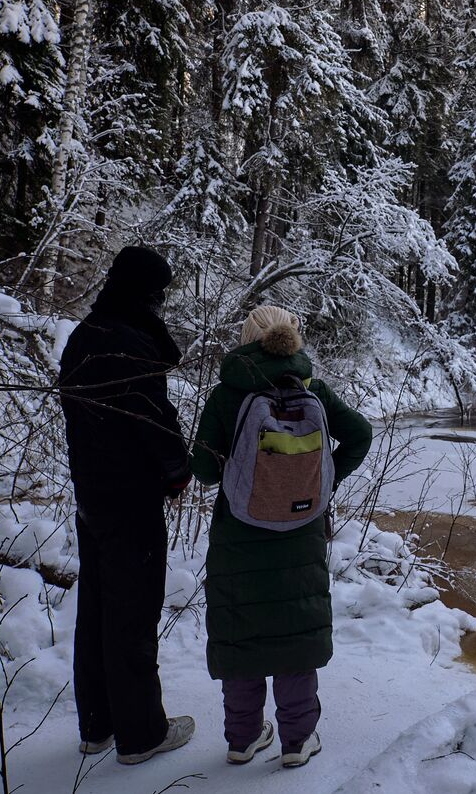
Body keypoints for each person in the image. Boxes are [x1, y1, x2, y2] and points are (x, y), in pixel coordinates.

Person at [190, 305, 373, 769]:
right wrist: (322, 484)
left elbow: (205, 472)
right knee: (295, 634)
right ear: (292, 338)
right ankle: (297, 740)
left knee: (242, 634)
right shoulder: (314, 389)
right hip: (302, 531)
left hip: (239, 534)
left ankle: (242, 739)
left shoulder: (226, 396)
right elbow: (361, 434)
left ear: (247, 340)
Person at [58, 245, 195, 765]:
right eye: (159, 292)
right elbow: (152, 418)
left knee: (95, 612)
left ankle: (97, 725)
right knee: (132, 614)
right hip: (131, 500)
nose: (161, 303)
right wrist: (178, 472)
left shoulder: (84, 337)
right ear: (147, 292)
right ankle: (141, 734)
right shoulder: (129, 342)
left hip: (91, 496)